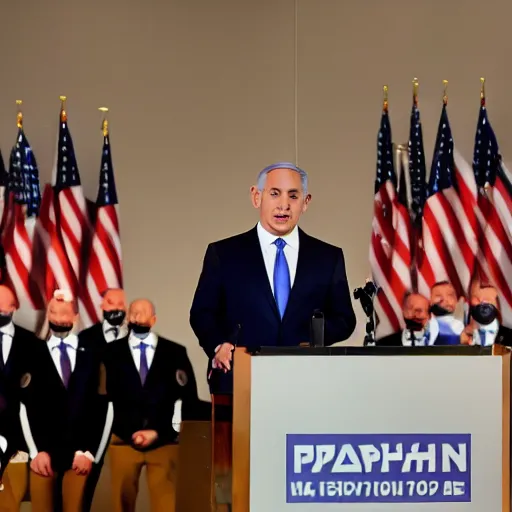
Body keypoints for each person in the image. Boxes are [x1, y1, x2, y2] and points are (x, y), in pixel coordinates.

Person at [190, 162, 356, 392]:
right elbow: (202, 312)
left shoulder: (327, 257)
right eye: (275, 194)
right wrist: (219, 345)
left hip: (306, 382)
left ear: (305, 202)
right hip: (241, 380)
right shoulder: (224, 253)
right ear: (256, 197)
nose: (284, 205)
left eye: (293, 196)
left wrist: (313, 337)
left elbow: (345, 319)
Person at [104, 298, 198, 512]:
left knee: (167, 504)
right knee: (121, 504)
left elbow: (187, 399)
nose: (137, 317)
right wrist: (130, 433)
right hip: (123, 442)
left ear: (153, 319)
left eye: (142, 313)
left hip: (164, 443)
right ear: (127, 317)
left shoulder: (175, 353)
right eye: (133, 313)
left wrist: (159, 432)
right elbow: (104, 399)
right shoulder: (110, 354)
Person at [19, 290, 106, 512]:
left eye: (64, 314)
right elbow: (22, 405)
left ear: (76, 316)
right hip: (43, 456)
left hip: (80, 457)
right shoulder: (31, 353)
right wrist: (34, 451)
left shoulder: (93, 355)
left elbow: (105, 408)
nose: (58, 319)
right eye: (53, 313)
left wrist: (89, 452)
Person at [78, 288, 128, 511]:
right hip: (91, 421)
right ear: (102, 306)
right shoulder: (85, 339)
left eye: (120, 304)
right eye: (111, 302)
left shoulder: (135, 338)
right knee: (84, 487)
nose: (115, 308)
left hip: (126, 422)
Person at [0, 284, 39, 511]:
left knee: (11, 503)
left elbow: (36, 397)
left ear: (13, 307)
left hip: (18, 444)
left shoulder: (32, 344)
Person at [428, 281, 464, 345]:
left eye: (450, 295)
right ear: (430, 302)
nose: (445, 300)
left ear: (456, 301)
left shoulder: (462, 325)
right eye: (438, 296)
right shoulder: (427, 325)